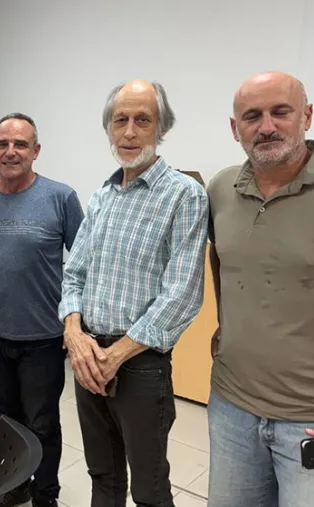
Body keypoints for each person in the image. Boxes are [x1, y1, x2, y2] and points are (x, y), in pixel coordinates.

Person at [206, 70, 314, 507]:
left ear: (307, 116)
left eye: (280, 112)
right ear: (235, 128)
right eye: (252, 116)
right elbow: (222, 258)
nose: (266, 127)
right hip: (231, 408)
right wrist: (226, 322)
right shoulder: (222, 188)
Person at [58, 80, 209, 507]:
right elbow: (74, 273)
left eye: (142, 120)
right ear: (108, 128)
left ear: (161, 128)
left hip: (140, 366)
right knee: (102, 475)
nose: (129, 132)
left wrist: (116, 355)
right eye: (119, 120)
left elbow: (181, 294)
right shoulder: (103, 195)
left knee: (149, 488)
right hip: (89, 357)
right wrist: (74, 334)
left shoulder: (184, 195)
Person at [0, 112, 84, 507]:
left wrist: (78, 324)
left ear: (36, 151)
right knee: (5, 417)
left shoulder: (61, 198)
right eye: (2, 144)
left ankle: (45, 494)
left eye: (20, 144)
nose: (11, 151)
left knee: (43, 423)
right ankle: (16, 484)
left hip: (43, 338)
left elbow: (85, 263)